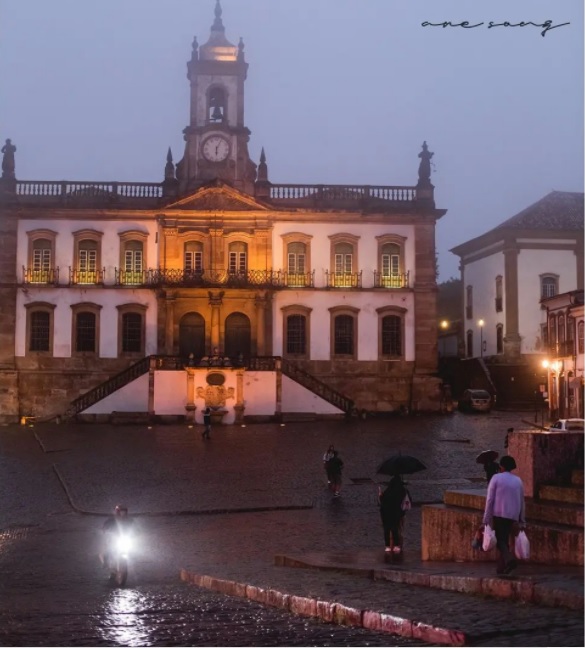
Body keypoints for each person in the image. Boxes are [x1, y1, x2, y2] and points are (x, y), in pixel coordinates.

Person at [482, 455, 526, 575]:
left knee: (500, 541)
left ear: (501, 466)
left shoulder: (496, 478)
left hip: (499, 513)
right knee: (504, 540)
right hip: (513, 515)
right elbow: (522, 500)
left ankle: (509, 560)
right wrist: (522, 520)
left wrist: (486, 518)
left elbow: (490, 499)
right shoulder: (518, 480)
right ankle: (502, 567)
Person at [379, 476, 409, 555]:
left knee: (387, 530)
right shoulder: (403, 491)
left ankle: (387, 546)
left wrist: (380, 495)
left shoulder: (387, 491)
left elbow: (382, 502)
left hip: (386, 514)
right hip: (397, 513)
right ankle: (397, 545)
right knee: (396, 528)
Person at [100, 504, 135, 569]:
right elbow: (104, 527)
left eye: (124, 511)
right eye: (121, 511)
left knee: (134, 548)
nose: (122, 513)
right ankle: (106, 562)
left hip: (124, 538)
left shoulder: (130, 520)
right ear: (117, 512)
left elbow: (136, 528)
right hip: (113, 539)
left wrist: (136, 533)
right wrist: (106, 531)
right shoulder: (111, 520)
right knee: (108, 549)